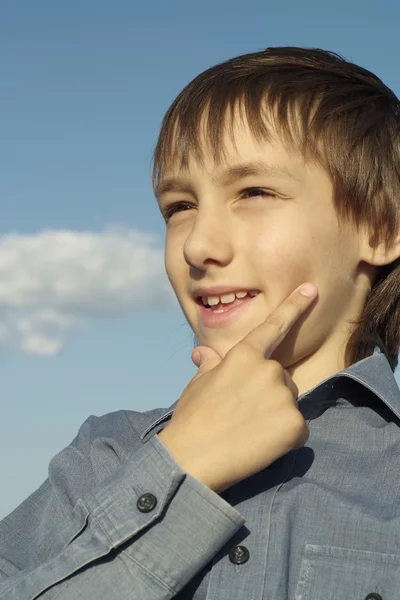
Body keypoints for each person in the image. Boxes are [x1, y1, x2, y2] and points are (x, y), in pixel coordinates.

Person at [1, 46, 400, 600]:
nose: (199, 245)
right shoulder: (103, 457)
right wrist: (177, 465)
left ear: (380, 228)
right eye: (179, 207)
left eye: (254, 192)